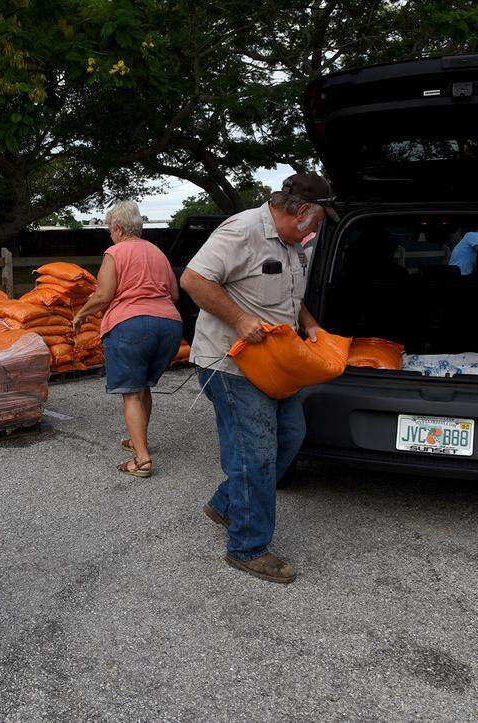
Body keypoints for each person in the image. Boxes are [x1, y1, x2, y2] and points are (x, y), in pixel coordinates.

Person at [180, 173, 337, 585]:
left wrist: (310, 324)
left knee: (291, 434)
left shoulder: (293, 244)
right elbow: (193, 280)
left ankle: (227, 503)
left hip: (273, 363)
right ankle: (247, 546)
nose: (320, 226)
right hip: (230, 365)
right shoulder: (243, 229)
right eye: (319, 218)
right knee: (257, 452)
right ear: (301, 211)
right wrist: (240, 318)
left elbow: (290, 295)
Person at [73, 200, 183, 479]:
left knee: (131, 393)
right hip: (169, 326)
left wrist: (81, 315)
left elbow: (103, 295)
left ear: (119, 228)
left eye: (110, 229)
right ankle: (138, 441)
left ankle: (142, 459)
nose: (110, 234)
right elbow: (175, 295)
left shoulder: (115, 252)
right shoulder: (158, 252)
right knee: (143, 386)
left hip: (131, 325)